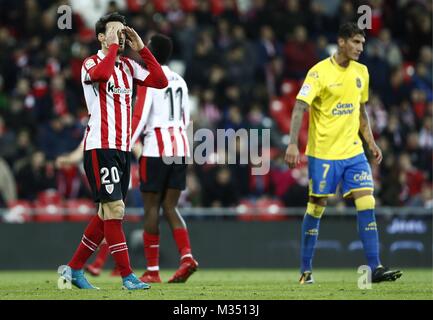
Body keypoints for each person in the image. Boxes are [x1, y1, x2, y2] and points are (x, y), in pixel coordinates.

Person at [284, 22, 402, 284]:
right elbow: (299, 107)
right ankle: (306, 270)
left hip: (353, 151)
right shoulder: (318, 73)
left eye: (362, 43)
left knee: (367, 201)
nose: (361, 48)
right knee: (317, 206)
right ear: (341, 42)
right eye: (356, 42)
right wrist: (292, 143)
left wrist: (370, 142)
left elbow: (361, 111)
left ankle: (374, 267)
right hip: (323, 153)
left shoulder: (362, 72)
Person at [62, 12, 168, 290]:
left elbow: (160, 80)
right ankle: (127, 276)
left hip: (122, 149)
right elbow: (101, 74)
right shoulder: (91, 63)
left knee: (105, 213)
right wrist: (111, 47)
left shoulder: (129, 67)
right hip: (100, 146)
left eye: (122, 32)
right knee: (116, 209)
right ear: (100, 36)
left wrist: (141, 47)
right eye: (113, 32)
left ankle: (73, 269)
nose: (119, 37)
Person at [131, 34, 198, 283]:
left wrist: (124, 144)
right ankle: (187, 257)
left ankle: (152, 271)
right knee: (171, 207)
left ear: (151, 50)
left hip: (156, 149)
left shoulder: (150, 77)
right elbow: (186, 119)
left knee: (151, 208)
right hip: (179, 147)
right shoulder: (180, 80)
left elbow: (139, 116)